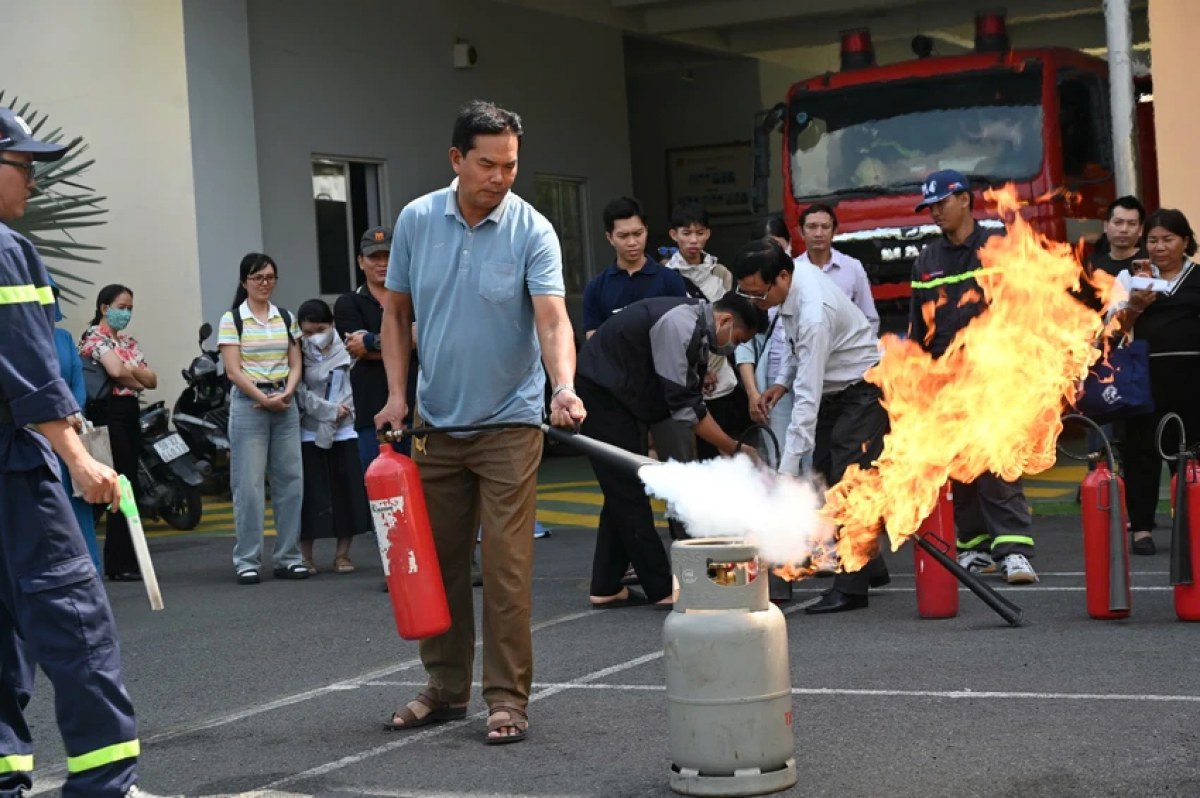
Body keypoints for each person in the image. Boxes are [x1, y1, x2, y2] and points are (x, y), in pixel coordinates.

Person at [374, 100, 585, 744]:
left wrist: (563, 387)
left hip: (511, 425)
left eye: (511, 165)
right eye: (487, 163)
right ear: (456, 159)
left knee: (507, 567)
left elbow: (552, 318)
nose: (500, 176)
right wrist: (395, 396)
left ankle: (506, 698)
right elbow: (395, 314)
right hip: (436, 424)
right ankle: (444, 688)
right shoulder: (415, 220)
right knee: (435, 566)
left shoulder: (533, 230)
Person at [0, 105, 164, 798]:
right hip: (15, 473)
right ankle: (105, 785)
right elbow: (29, 373)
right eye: (24, 167)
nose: (33, 183)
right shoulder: (5, 249)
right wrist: (81, 459)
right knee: (74, 617)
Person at [731, 239, 891, 614]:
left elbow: (806, 400)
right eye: (747, 294)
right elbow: (790, 343)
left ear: (782, 276)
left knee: (847, 484)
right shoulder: (794, 282)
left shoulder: (813, 311)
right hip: (837, 394)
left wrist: (785, 473)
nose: (755, 302)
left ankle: (852, 588)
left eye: (759, 294)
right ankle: (873, 567)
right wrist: (781, 382)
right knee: (822, 477)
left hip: (861, 391)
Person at [577, 294, 762, 608]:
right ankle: (661, 588)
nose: (732, 347)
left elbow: (689, 398)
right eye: (738, 339)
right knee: (630, 492)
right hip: (602, 395)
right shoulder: (680, 325)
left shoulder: (696, 327)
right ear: (726, 321)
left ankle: (606, 585)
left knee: (621, 490)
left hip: (622, 397)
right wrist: (734, 447)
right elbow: (686, 409)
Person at [909, 170, 1037, 584]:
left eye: (941, 203)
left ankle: (1014, 551)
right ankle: (975, 549)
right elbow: (919, 328)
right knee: (960, 468)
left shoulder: (998, 244)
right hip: (947, 382)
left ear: (964, 199)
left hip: (997, 375)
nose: (934, 213)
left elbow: (1027, 308)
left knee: (998, 463)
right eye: (929, 207)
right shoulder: (926, 260)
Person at [582, 196, 692, 545]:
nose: (632, 242)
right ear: (609, 238)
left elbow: (686, 336)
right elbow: (593, 341)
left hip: (665, 397)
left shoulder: (670, 282)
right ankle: (634, 561)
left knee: (679, 478)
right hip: (620, 403)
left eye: (638, 233)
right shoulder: (598, 288)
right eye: (624, 235)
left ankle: (689, 551)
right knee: (626, 482)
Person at [1108, 209, 1200, 556]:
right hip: (1143, 380)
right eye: (1153, 240)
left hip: (1192, 381)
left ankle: (1193, 524)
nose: (1159, 247)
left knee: (1192, 455)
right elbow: (1109, 334)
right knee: (1141, 454)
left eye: (1168, 239)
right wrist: (1133, 308)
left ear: (1185, 241)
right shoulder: (1130, 278)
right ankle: (1142, 528)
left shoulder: (1197, 278)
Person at [218, 253, 307, 585]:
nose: (264, 283)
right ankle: (247, 559)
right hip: (249, 405)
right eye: (257, 278)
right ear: (244, 282)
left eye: (270, 277)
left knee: (291, 482)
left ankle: (288, 557)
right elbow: (232, 370)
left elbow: (296, 362)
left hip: (284, 403)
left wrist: (286, 394)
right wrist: (262, 398)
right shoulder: (233, 319)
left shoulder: (286, 317)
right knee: (249, 486)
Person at [80, 283, 157, 582]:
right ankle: (117, 561)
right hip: (106, 413)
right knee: (117, 485)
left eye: (129, 309)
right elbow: (114, 372)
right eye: (121, 307)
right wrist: (132, 373)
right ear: (104, 308)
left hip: (129, 414)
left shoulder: (127, 341)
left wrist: (131, 373)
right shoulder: (92, 337)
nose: (126, 313)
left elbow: (150, 379)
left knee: (129, 483)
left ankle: (124, 558)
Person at [664, 201, 750, 459]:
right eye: (686, 233)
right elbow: (670, 334)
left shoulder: (722, 274)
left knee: (720, 450)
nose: (693, 240)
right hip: (682, 379)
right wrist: (697, 371)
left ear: (708, 234)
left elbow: (729, 327)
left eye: (699, 233)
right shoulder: (665, 277)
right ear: (673, 234)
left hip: (720, 378)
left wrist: (711, 368)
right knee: (686, 454)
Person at [296, 299, 371, 575]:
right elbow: (298, 389)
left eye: (320, 328)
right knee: (310, 493)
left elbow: (356, 382)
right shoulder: (298, 350)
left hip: (346, 426)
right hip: (310, 428)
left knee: (346, 491)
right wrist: (328, 410)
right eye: (308, 331)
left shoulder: (347, 347)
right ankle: (305, 556)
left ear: (332, 325)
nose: (315, 335)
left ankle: (343, 555)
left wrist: (342, 410)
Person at [334, 226, 418, 467]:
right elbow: (358, 348)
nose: (382, 263)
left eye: (389, 256)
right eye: (374, 257)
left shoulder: (418, 298)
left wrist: (371, 341)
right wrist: (406, 339)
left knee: (427, 496)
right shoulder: (348, 303)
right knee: (383, 498)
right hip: (372, 418)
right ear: (361, 262)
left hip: (419, 415)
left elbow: (425, 338)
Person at [1080, 197, 1147, 472]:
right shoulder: (1090, 267)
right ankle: (1098, 494)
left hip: (1141, 361)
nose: (1124, 229)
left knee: (1140, 441)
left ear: (1141, 230)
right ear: (1106, 226)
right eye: (1118, 222)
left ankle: (1139, 510)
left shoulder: (1148, 266)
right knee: (1101, 433)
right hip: (1101, 362)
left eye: (1132, 224)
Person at [49, 280, 101, 571]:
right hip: (36, 438)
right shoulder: (17, 339)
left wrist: (72, 412)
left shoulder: (64, 338)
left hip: (71, 436)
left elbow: (77, 384)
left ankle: (89, 571)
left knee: (79, 506)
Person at [794, 203, 880, 334]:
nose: (818, 233)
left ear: (834, 231)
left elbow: (869, 318)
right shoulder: (792, 271)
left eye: (825, 227)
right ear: (801, 232)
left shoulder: (852, 268)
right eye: (812, 227)